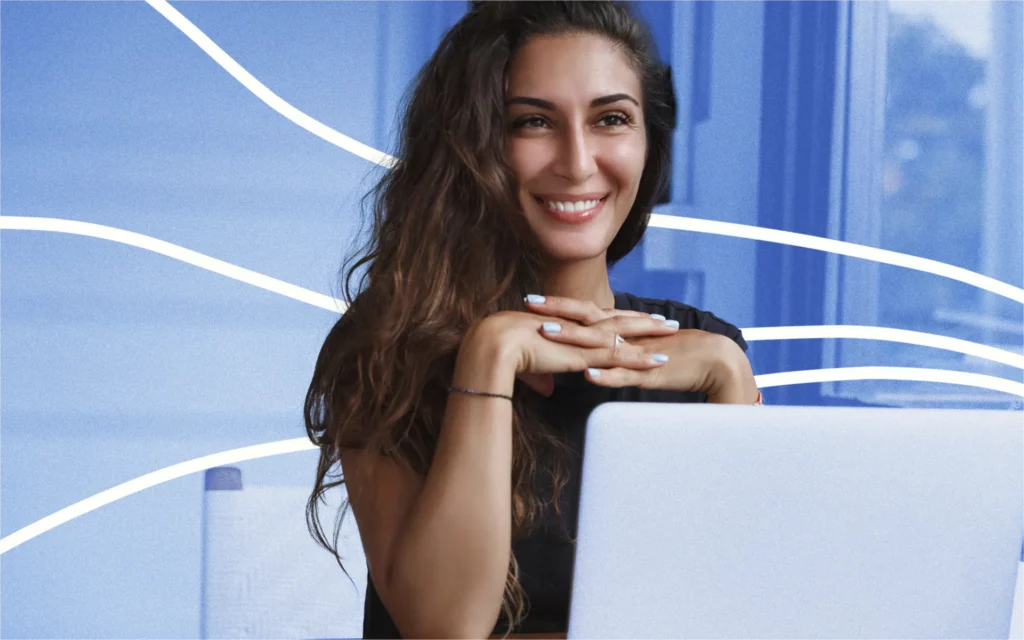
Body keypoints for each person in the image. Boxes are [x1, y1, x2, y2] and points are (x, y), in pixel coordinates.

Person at [304, 1, 761, 638]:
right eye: (533, 123)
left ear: (648, 143)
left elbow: (737, 612)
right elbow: (444, 627)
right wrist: (491, 355)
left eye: (611, 118)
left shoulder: (705, 354)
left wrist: (732, 378)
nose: (577, 162)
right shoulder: (385, 349)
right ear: (473, 146)